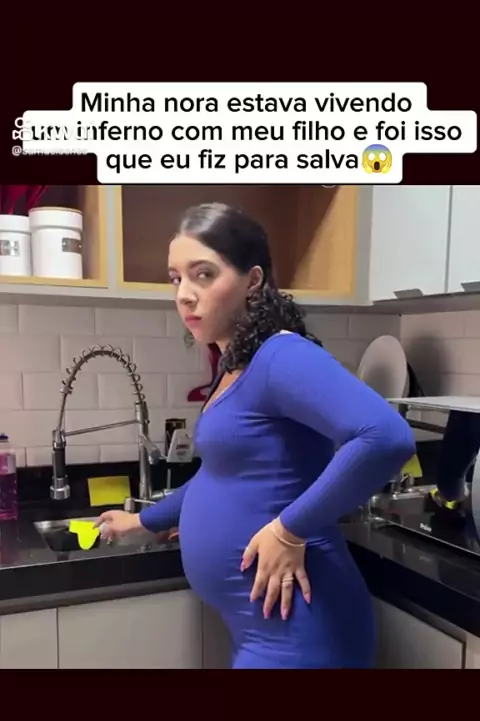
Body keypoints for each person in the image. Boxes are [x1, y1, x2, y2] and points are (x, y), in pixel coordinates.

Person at [96, 202, 416, 669]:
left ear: (253, 280)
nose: (184, 295)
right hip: (265, 628)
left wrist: (289, 530)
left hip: (303, 633)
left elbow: (385, 437)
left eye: (203, 275)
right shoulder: (237, 365)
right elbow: (221, 475)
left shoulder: (279, 356)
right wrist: (144, 522)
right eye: (176, 278)